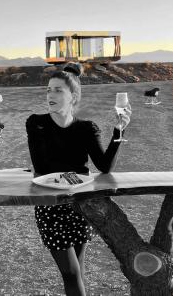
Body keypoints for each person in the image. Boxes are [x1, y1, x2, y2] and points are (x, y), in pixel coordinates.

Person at [26, 62, 131, 296]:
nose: (50, 95)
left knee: (78, 270)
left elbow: (104, 167)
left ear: (73, 96)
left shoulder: (86, 129)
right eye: (48, 89)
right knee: (71, 273)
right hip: (51, 207)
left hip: (82, 206)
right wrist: (75, 174)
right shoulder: (36, 124)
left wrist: (119, 131)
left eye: (58, 90)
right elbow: (42, 168)